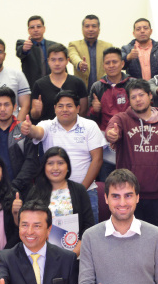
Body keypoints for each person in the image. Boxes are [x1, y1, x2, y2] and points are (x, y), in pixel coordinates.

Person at [105, 79, 158, 229]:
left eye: (141, 95)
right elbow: (111, 130)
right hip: (128, 195)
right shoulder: (121, 119)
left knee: (154, 237)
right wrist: (112, 135)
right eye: (133, 97)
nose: (138, 100)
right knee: (128, 236)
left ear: (150, 96)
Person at [23, 90, 106, 224]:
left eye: (69, 106)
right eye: (60, 106)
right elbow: (36, 132)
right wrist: (29, 130)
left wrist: (80, 191)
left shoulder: (90, 126)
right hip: (54, 193)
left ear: (78, 108)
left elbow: (97, 160)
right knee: (56, 238)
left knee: (88, 238)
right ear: (55, 108)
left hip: (86, 193)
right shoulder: (47, 125)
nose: (64, 109)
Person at [26, 147, 95, 257]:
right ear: (44, 167)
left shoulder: (79, 190)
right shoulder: (35, 192)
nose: (55, 168)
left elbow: (88, 227)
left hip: (75, 255)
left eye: (60, 163)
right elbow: (28, 226)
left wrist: (73, 255)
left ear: (67, 166)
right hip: (42, 256)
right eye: (50, 163)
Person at [31, 43, 88, 123]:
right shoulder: (39, 84)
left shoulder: (78, 83)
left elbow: (83, 111)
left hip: (73, 130)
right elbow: (34, 116)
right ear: (48, 61)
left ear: (67, 61)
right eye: (53, 60)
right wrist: (37, 111)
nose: (57, 63)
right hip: (47, 131)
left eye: (60, 59)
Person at [88, 47, 133, 130]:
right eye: (107, 63)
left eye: (115, 62)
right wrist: (94, 110)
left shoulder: (133, 84)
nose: (111, 66)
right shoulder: (97, 87)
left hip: (130, 131)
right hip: (105, 132)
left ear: (122, 64)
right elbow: (89, 118)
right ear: (103, 66)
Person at [68, 15, 113, 92]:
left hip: (103, 90)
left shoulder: (108, 46)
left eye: (94, 26)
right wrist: (79, 63)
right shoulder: (73, 44)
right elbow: (73, 56)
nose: (90, 29)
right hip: (81, 92)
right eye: (87, 26)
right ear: (82, 29)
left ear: (99, 30)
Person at [16, 16, 59, 88]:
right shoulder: (23, 44)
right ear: (28, 30)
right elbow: (20, 52)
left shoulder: (54, 46)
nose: (35, 30)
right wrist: (24, 49)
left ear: (44, 29)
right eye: (32, 27)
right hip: (32, 88)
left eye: (38, 26)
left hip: (53, 87)